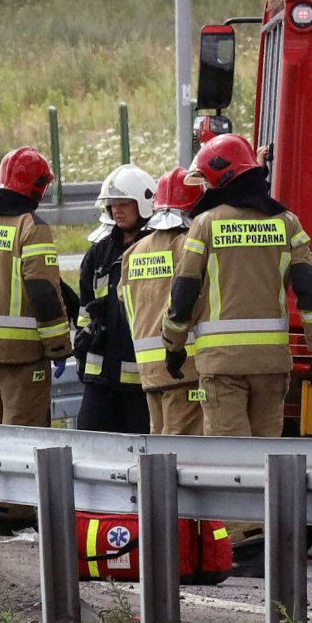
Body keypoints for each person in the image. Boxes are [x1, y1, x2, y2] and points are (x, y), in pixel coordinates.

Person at [163, 133, 312, 437]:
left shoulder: (205, 225)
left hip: (222, 364)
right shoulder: (287, 223)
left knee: (233, 461)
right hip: (272, 364)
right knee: (266, 457)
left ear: (221, 176)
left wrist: (173, 345)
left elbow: (184, 290)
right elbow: (308, 290)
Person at [0, 147, 72, 426]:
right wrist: (58, 346)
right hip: (23, 354)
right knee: (23, 434)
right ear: (38, 187)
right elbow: (43, 290)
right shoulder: (31, 227)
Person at [119, 167, 205, 434]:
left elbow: (125, 306)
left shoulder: (134, 251)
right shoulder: (187, 245)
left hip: (149, 370)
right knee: (184, 451)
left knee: (158, 445)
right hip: (184, 367)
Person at [73, 164, 157, 433]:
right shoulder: (99, 253)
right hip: (101, 375)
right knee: (89, 441)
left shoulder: (157, 247)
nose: (117, 211)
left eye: (124, 204)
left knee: (142, 450)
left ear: (143, 204)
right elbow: (85, 308)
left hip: (141, 376)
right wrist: (83, 345)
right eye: (113, 205)